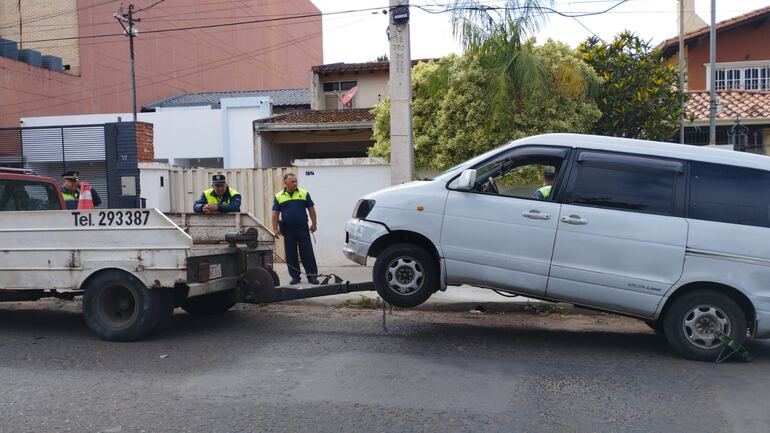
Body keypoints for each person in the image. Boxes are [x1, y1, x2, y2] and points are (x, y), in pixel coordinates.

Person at [272, 173, 318, 285]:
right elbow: (275, 214)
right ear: (285, 183)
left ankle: (312, 275)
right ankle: (295, 277)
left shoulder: (304, 193)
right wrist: (275, 228)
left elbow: (311, 209)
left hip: (302, 228)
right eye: (292, 182)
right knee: (291, 254)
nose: (295, 183)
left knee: (307, 253)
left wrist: (314, 224)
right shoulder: (279, 196)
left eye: (296, 181)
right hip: (288, 230)